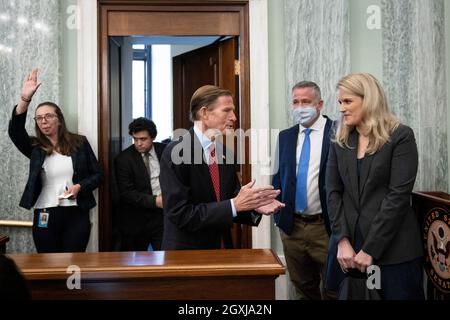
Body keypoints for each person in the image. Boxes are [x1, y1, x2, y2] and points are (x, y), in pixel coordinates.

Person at [326, 73, 424, 300]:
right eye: (340, 102)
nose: (341, 108)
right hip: (348, 251)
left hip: (394, 252)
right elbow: (332, 192)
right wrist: (341, 240)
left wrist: (370, 249)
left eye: (348, 101)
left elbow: (398, 197)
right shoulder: (340, 138)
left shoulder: (400, 136)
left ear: (368, 99)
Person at [159, 85, 283, 250]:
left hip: (222, 249)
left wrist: (254, 205)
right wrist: (235, 204)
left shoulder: (225, 153)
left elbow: (230, 200)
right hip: (187, 255)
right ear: (204, 113)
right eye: (227, 110)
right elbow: (180, 214)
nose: (234, 117)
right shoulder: (176, 152)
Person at [8, 68, 102, 253]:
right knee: (48, 263)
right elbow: (15, 131)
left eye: (48, 116)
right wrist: (25, 99)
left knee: (73, 263)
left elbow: (98, 175)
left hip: (76, 212)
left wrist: (79, 187)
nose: (43, 121)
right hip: (46, 212)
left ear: (59, 119)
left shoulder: (79, 143)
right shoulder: (36, 148)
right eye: (39, 118)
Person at [272, 81, 335, 300]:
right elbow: (278, 178)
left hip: (326, 228)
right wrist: (279, 217)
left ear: (319, 104)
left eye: (306, 102)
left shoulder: (339, 132)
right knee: (303, 290)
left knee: (334, 289)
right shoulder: (285, 136)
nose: (300, 107)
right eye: (295, 102)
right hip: (293, 227)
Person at [114, 117, 166, 251]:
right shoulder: (123, 159)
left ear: (153, 137)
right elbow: (127, 193)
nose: (138, 144)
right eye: (135, 139)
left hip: (163, 217)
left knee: (166, 259)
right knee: (135, 264)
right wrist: (156, 201)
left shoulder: (166, 151)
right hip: (136, 219)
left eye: (143, 139)